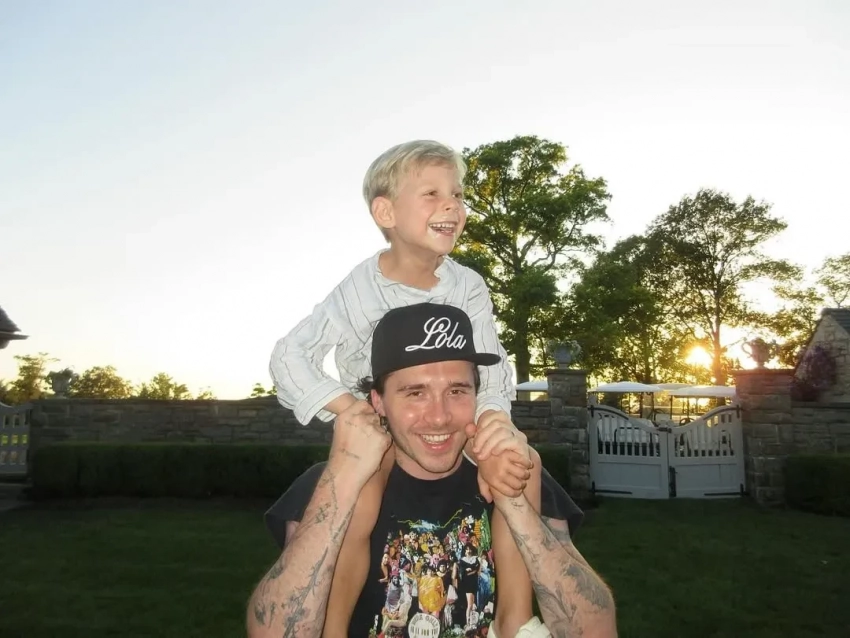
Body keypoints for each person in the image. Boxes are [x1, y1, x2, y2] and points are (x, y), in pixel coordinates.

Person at [268, 140, 545, 636]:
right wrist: (350, 410)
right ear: (386, 212)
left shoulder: (468, 286)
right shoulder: (360, 289)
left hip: (457, 416)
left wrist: (494, 426)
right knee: (360, 495)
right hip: (383, 423)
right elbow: (290, 355)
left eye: (458, 195)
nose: (452, 206)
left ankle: (517, 621)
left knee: (519, 466)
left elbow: (492, 368)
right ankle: (333, 627)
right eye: (432, 193)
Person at [249, 302, 617, 638]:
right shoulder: (327, 486)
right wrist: (342, 478)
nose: (439, 416)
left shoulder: (517, 471)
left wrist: (515, 502)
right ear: (378, 401)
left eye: (457, 391)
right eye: (415, 393)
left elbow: (595, 630)